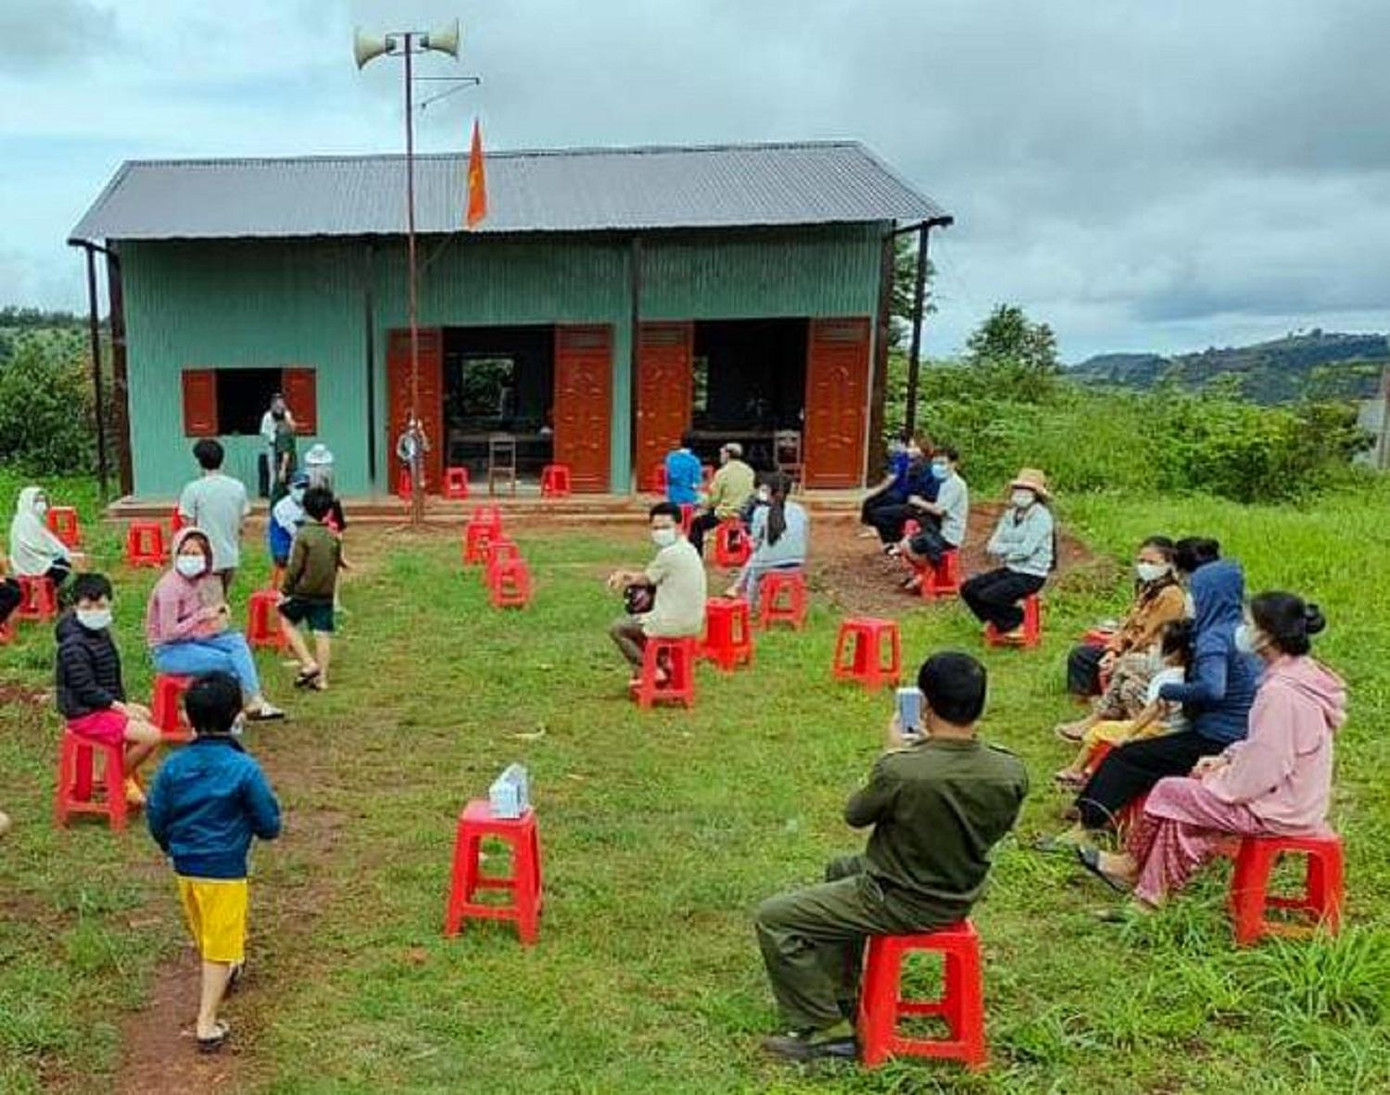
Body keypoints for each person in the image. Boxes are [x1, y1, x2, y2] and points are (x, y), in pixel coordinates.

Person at [754, 652, 1028, 1062]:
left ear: (925, 706)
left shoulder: (904, 770)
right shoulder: (1009, 770)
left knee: (775, 917)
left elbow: (855, 815)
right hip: (957, 891)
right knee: (840, 868)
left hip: (900, 897)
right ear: (980, 706)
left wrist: (891, 755)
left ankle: (823, 1028)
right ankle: (845, 992)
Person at [1078, 593, 1344, 908]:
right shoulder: (1303, 675)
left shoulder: (1280, 694)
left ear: (1267, 636)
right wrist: (1225, 758)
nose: (1241, 632)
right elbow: (1265, 747)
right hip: (1295, 797)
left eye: (1248, 624)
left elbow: (1265, 766)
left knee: (1172, 791)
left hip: (1279, 808)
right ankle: (1145, 888)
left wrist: (1221, 779)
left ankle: (1137, 874)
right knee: (1184, 794)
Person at [1058, 559, 1260, 841]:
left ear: (1210, 595)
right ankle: (1091, 810)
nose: (1190, 598)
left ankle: (1088, 825)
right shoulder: (1240, 630)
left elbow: (1213, 689)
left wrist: (1171, 692)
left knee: (1126, 756)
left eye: (1196, 591)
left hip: (1216, 738)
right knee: (1141, 753)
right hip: (1239, 734)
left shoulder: (1215, 638)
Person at [145, 672, 282, 1053]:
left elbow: (156, 814)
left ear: (187, 718)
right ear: (237, 715)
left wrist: (169, 846)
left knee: (207, 929)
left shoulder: (172, 767)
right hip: (224, 870)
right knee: (218, 945)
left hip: (185, 867)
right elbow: (268, 823)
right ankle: (206, 1023)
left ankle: (229, 967)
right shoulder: (244, 769)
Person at [146, 528, 284, 721]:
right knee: (229, 662)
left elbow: (192, 622)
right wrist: (200, 617)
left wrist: (214, 620)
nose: (190, 558)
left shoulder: (193, 581)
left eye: (195, 554)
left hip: (189, 641)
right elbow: (168, 634)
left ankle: (255, 699)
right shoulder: (171, 587)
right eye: (185, 553)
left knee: (235, 641)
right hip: (168, 650)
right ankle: (226, 712)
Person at [56, 573, 166, 807]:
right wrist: (120, 707)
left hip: (99, 706)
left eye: (101, 605)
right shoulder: (73, 645)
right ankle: (115, 778)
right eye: (88, 606)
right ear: (75, 606)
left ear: (110, 603)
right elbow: (86, 689)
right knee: (152, 736)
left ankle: (113, 773)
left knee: (145, 715)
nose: (95, 611)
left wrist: (123, 706)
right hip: (84, 713)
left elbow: (109, 678)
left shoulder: (99, 632)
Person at [1055, 620, 1193, 788]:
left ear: (1174, 652)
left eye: (1159, 645)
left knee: (1098, 732)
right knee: (1126, 683)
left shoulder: (1167, 678)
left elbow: (1155, 710)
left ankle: (1075, 771)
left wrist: (1131, 732)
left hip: (1159, 729)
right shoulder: (1191, 675)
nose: (1155, 647)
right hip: (1177, 729)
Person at [1060, 535, 1187, 708]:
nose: (1144, 566)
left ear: (1169, 564)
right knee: (1082, 654)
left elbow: (1150, 635)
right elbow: (1127, 625)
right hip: (1129, 646)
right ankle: (1088, 698)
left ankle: (1106, 705)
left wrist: (1122, 658)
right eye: (1141, 561)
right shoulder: (1148, 588)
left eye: (1151, 562)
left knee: (1121, 667)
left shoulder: (1172, 595)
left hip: (1150, 652)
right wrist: (1113, 650)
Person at [606, 502, 707, 684]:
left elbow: (646, 579)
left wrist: (622, 576)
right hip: (693, 620)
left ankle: (649, 670)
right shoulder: (689, 549)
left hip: (673, 622)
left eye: (665, 527)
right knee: (642, 617)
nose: (660, 532)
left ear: (679, 526)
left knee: (619, 628)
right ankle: (663, 662)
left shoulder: (669, 554)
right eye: (656, 528)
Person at [959, 469, 1055, 640]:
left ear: (1036, 494)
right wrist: (1013, 549)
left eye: (1027, 490)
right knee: (968, 589)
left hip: (1032, 574)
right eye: (1018, 489)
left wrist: (1006, 550)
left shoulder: (1042, 517)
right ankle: (998, 621)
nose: (1021, 494)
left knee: (989, 596)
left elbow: (1027, 550)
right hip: (1011, 568)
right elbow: (992, 546)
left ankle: (1016, 621)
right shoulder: (1010, 514)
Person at [277, 487, 343, 692]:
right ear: (329, 512)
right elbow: (335, 564)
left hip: (303, 592)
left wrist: (285, 590)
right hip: (325, 593)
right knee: (322, 633)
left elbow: (295, 566)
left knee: (286, 622)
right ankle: (322, 679)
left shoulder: (303, 534)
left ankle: (308, 663)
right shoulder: (333, 536)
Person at [727, 474, 808, 613]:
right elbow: (804, 536)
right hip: (797, 563)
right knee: (758, 559)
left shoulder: (761, 512)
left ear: (768, 491)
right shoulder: (800, 510)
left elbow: (755, 544)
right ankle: (739, 589)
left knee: (754, 572)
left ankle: (749, 607)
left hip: (768, 565)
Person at [177, 440, 250, 594]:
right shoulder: (238, 487)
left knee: (210, 607)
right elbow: (241, 524)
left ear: (199, 462)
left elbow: (188, 526)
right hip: (230, 557)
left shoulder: (193, 489)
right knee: (221, 600)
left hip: (205, 559)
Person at [899, 447, 969, 591]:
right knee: (907, 539)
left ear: (953, 464)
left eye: (942, 463)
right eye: (935, 463)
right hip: (937, 528)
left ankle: (927, 572)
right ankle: (926, 571)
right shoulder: (943, 482)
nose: (938, 467)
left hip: (947, 535)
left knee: (906, 545)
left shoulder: (955, 484)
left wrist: (918, 502)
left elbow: (939, 510)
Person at [866, 437, 936, 550]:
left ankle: (895, 543)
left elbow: (922, 490)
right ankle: (892, 542)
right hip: (910, 499)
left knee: (881, 512)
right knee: (874, 504)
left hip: (919, 505)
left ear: (923, 449)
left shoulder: (923, 466)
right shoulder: (909, 462)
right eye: (910, 446)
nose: (910, 450)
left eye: (914, 447)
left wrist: (920, 502)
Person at [687, 442, 756, 556]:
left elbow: (714, 500)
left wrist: (701, 503)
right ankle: (733, 547)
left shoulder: (722, 472)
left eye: (722, 454)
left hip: (726, 513)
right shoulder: (749, 471)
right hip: (746, 512)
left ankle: (695, 555)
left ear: (728, 455)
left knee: (697, 523)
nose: (720, 457)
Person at [9, 486, 73, 588]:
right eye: (38, 500)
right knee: (64, 567)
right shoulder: (28, 521)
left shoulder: (23, 519)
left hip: (26, 564)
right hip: (33, 566)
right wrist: (62, 552)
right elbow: (41, 546)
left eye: (43, 500)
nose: (42, 504)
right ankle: (54, 595)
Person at [858, 433, 913, 535]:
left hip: (898, 493)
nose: (891, 446)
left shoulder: (899, 458)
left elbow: (891, 479)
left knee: (870, 503)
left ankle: (874, 529)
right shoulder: (905, 457)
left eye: (894, 443)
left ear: (902, 444)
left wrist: (874, 491)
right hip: (902, 492)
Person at [267, 472, 308, 573]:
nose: (303, 490)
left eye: (305, 486)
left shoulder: (311, 503)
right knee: (283, 559)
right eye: (298, 487)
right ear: (290, 488)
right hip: (283, 542)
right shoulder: (281, 507)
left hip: (303, 539)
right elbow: (293, 531)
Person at [258, 394, 293, 499]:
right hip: (272, 446)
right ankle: (272, 494)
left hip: (285, 446)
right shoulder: (267, 416)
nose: (279, 405)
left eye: (281, 402)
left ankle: (287, 495)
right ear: (272, 404)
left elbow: (292, 428)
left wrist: (285, 417)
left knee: (287, 469)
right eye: (276, 403)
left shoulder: (287, 414)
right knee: (272, 470)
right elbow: (264, 431)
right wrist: (274, 437)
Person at [664, 432, 704, 507]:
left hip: (672, 495)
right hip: (688, 498)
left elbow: (667, 478)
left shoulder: (670, 457)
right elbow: (696, 484)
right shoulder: (694, 461)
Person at [396, 414, 430, 490]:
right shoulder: (403, 437)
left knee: (419, 462)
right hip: (407, 460)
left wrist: (423, 436)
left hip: (419, 460)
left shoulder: (421, 438)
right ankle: (418, 483)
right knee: (413, 462)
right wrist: (404, 457)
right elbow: (398, 450)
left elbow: (427, 449)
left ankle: (419, 483)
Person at [270, 416, 298, 506]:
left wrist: (282, 470)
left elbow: (285, 453)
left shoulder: (283, 431)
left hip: (286, 469)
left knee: (277, 494)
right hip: (290, 468)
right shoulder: (287, 431)